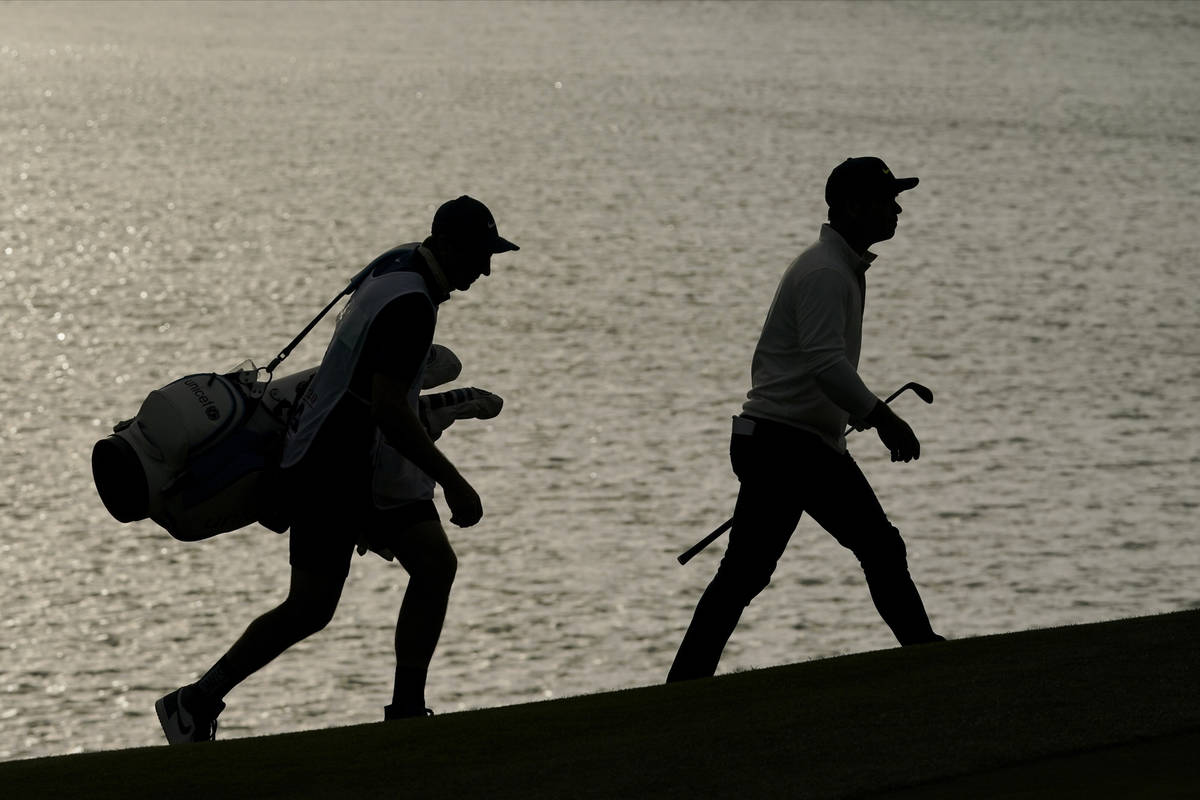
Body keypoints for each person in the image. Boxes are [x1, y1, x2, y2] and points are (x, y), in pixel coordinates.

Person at [155, 196, 518, 742]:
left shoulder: (397, 263)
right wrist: (453, 482)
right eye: (477, 254)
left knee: (431, 565)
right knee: (311, 606)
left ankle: (405, 711)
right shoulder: (413, 306)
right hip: (332, 467)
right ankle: (196, 700)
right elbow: (390, 408)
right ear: (444, 247)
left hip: (350, 460)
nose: (485, 268)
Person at [667, 158, 943, 682]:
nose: (898, 208)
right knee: (877, 546)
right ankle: (924, 653)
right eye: (887, 199)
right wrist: (880, 416)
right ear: (854, 208)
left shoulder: (836, 266)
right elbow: (825, 364)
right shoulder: (824, 271)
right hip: (786, 445)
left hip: (785, 441)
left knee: (745, 573)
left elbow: (821, 368)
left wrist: (845, 414)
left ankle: (684, 683)